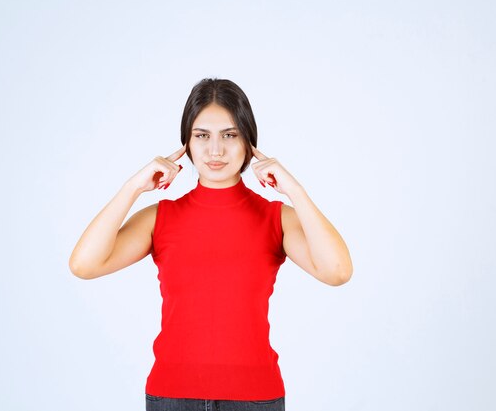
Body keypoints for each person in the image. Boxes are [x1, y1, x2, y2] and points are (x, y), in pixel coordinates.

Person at [69, 78, 353, 411]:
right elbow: (84, 265)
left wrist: (295, 190)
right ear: (186, 144)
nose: (215, 150)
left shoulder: (276, 218)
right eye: (202, 136)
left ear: (249, 142)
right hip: (171, 397)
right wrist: (133, 187)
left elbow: (337, 271)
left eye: (229, 136)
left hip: (255, 398)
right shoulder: (160, 217)